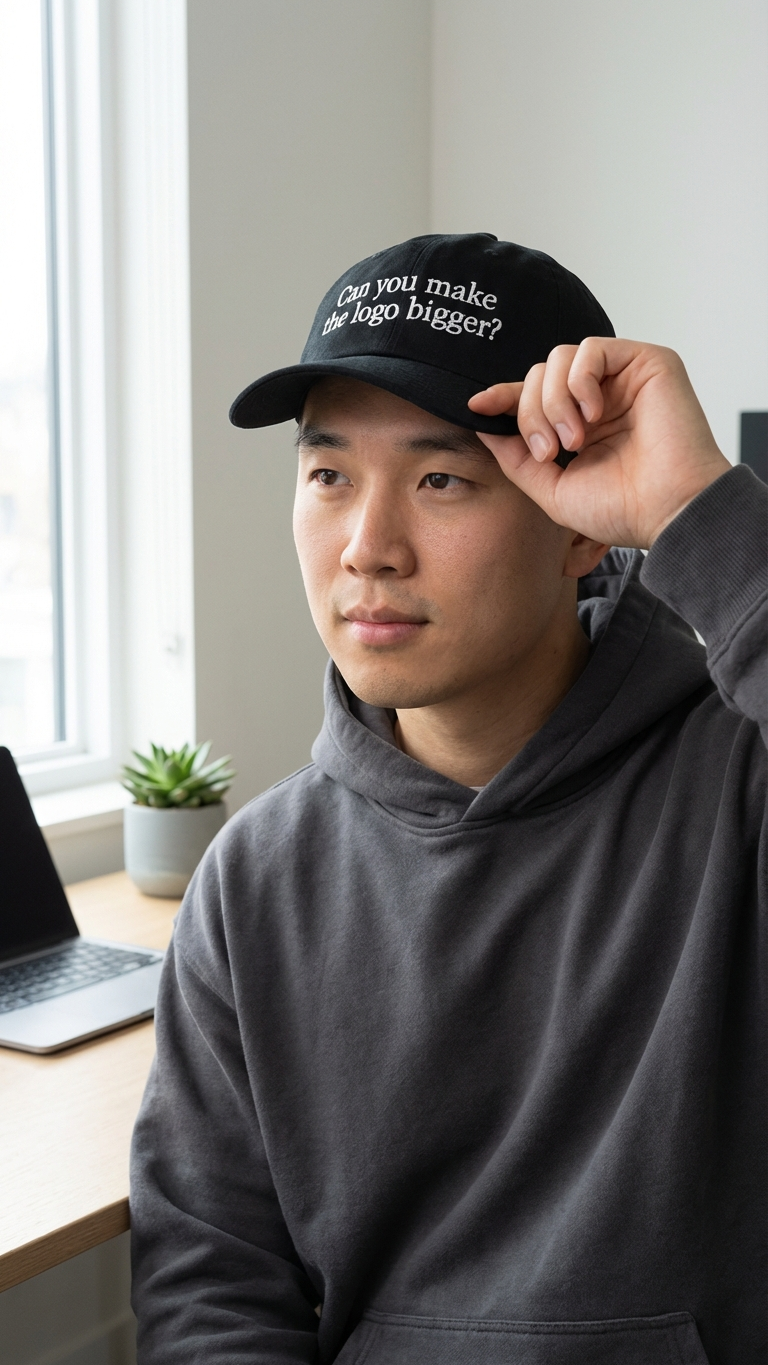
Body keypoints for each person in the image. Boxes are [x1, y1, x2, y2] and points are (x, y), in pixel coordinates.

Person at [130, 234, 766, 1364]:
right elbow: (211, 1280)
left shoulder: (738, 789)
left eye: (441, 480)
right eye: (328, 475)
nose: (368, 550)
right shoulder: (255, 879)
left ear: (577, 525)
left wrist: (698, 513)